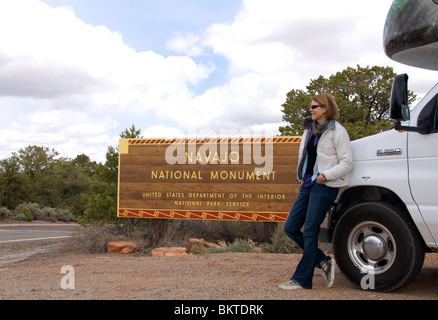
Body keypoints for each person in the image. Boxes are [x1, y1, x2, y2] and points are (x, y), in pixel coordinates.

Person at [279, 93, 353, 290]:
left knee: (310, 232)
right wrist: (303, 177)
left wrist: (325, 176)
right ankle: (323, 261)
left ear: (325, 109)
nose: (310, 110)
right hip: (308, 184)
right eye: (310, 107)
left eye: (314, 107)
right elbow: (307, 157)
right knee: (290, 227)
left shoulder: (338, 132)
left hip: (325, 185)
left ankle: (302, 279)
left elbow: (347, 163)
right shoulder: (310, 129)